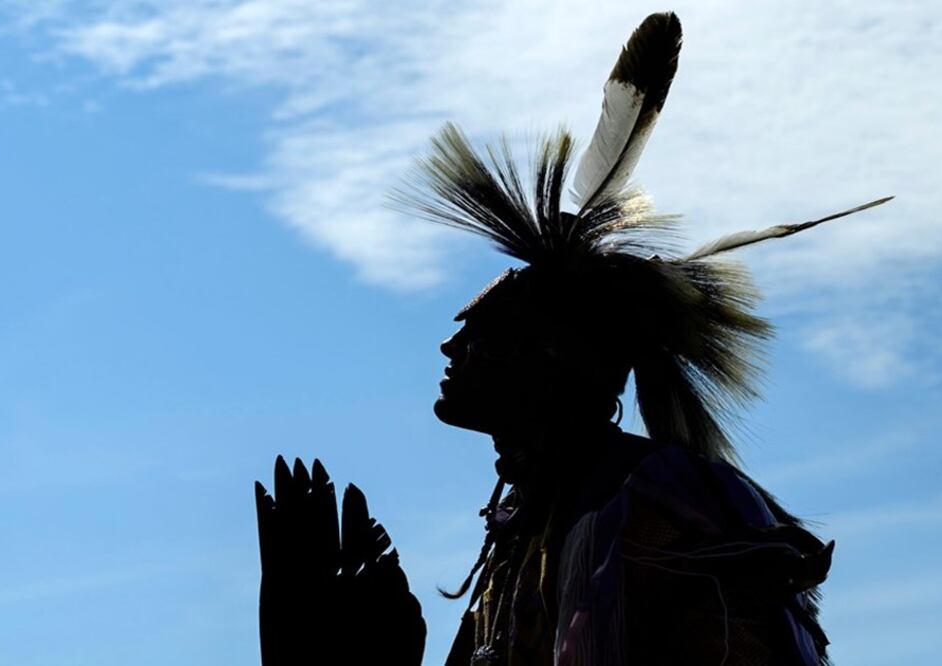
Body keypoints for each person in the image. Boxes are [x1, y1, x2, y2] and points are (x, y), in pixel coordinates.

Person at [256, 12, 888, 665]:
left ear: (551, 360)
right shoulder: (528, 530)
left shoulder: (659, 500)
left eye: (482, 335)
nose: (450, 350)